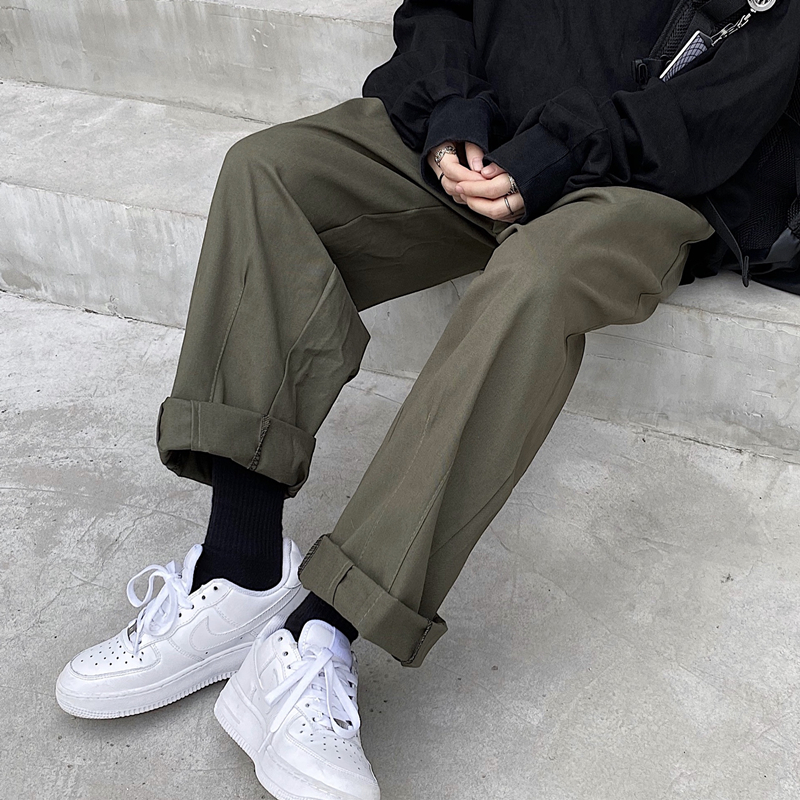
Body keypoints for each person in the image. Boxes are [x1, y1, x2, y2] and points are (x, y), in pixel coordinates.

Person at [55, 1, 800, 798]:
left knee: (536, 279)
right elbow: (442, 7)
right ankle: (241, 565)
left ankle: (319, 632)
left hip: (636, 175)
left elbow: (735, 91)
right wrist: (451, 118)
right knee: (268, 171)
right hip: (481, 140)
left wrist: (560, 150)